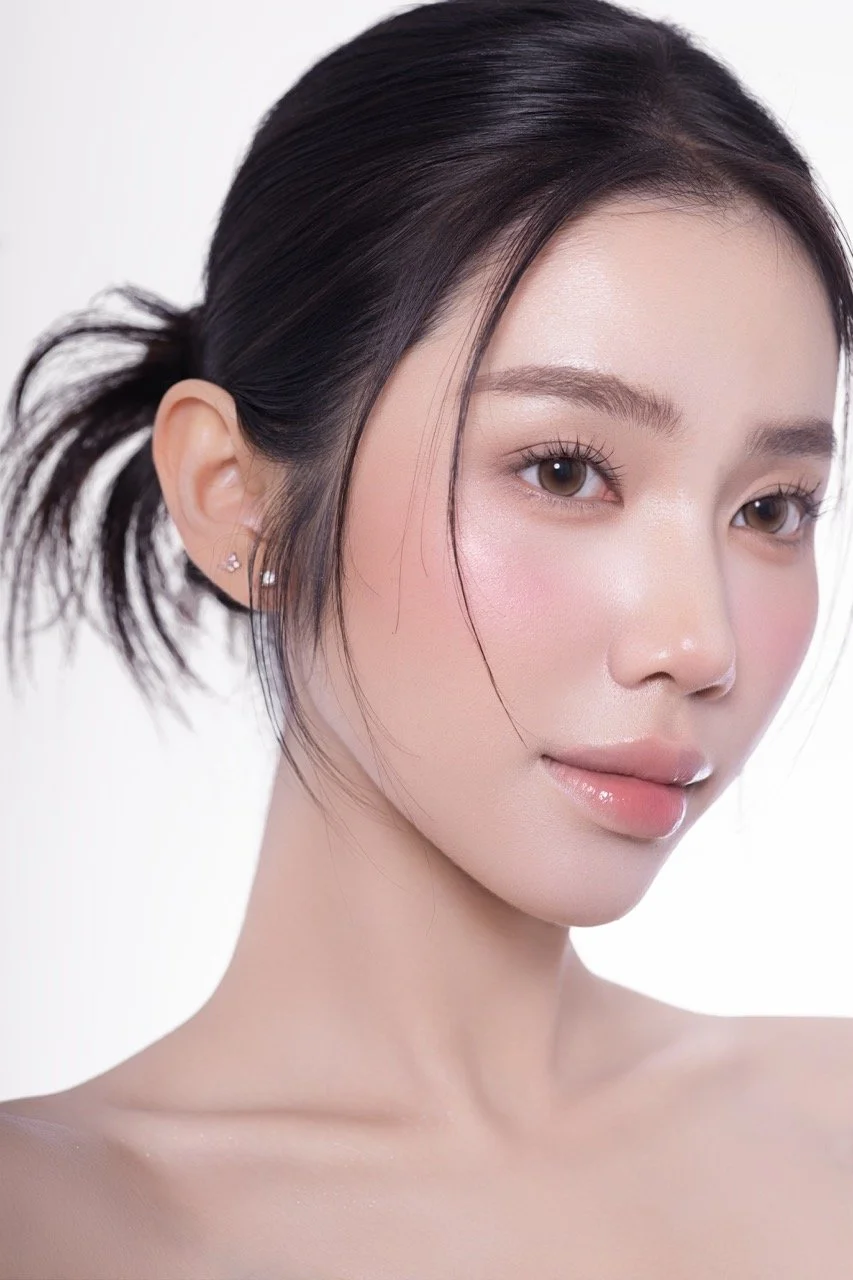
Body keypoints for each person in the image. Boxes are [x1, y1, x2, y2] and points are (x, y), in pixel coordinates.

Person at [1, 0, 852, 1275]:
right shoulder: (50, 1224)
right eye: (565, 469)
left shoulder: (831, 1121)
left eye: (770, 507)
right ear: (234, 493)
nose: (698, 640)